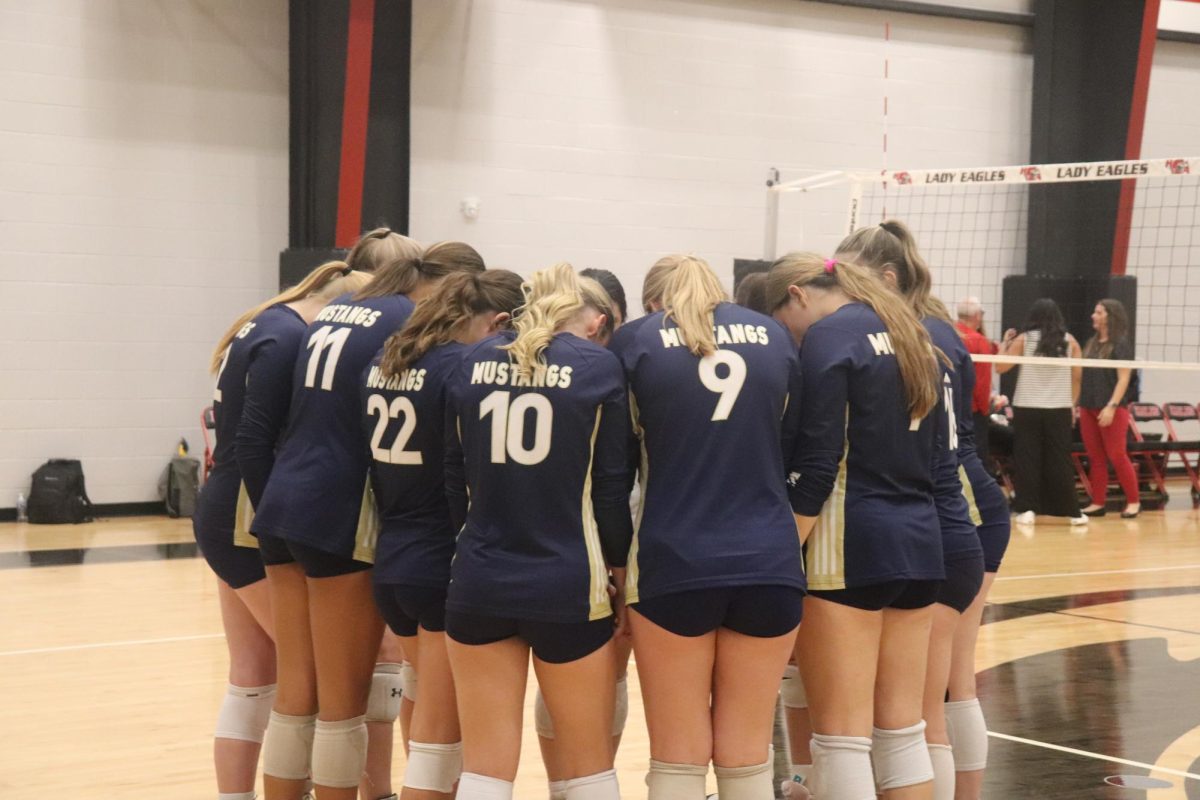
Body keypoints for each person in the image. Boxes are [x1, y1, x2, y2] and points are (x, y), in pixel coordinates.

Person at [252, 242, 485, 800]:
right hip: (339, 509)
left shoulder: (346, 305)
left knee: (295, 693)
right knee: (340, 706)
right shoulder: (407, 320)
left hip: (284, 496)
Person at [613, 255, 804, 800]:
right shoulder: (774, 336)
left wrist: (613, 560)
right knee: (747, 756)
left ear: (655, 301)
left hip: (674, 562)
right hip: (770, 561)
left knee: (678, 755)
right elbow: (802, 454)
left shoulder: (638, 340)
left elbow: (614, 471)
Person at [443, 264, 631, 800]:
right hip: (568, 582)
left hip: (480, 578)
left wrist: (475, 540)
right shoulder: (599, 368)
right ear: (590, 317)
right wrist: (619, 571)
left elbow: (453, 477)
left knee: (484, 769)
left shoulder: (471, 360)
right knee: (587, 766)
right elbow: (611, 492)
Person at [837, 221, 1004, 800]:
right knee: (951, 691)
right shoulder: (933, 332)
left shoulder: (904, 334)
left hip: (948, 512)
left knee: (922, 710)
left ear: (885, 278)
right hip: (962, 507)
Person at [768, 252, 944, 800]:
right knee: (902, 731)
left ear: (798, 294)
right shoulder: (908, 327)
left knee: (841, 738)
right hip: (920, 540)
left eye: (781, 322)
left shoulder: (830, 334)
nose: (786, 336)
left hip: (850, 544)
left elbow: (819, 463)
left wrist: (779, 552)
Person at [196, 261, 372, 800]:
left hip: (225, 504)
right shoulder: (290, 336)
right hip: (247, 516)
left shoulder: (266, 320)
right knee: (313, 674)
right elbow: (255, 442)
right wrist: (278, 529)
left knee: (253, 674)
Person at [365, 270, 525, 800]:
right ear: (499, 323)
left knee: (421, 702)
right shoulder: (460, 368)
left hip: (393, 557)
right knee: (439, 739)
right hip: (439, 562)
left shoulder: (391, 359)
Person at [535, 269, 635, 800]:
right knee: (592, 680)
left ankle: (574, 782)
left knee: (593, 683)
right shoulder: (602, 370)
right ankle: (572, 784)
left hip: (522, 552)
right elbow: (612, 488)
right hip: (587, 550)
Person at [996, 299, 1086, 526]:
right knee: (1060, 459)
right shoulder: (1070, 341)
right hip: (1059, 408)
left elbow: (1000, 367)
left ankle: (1027, 509)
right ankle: (1073, 513)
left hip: (1028, 407)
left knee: (1027, 458)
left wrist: (1004, 343)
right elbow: (1077, 376)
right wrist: (1072, 404)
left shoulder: (1024, 339)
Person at [1078, 299, 1139, 518]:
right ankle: (1098, 502)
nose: (1093, 315)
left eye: (1098, 312)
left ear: (1109, 316)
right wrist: (1078, 403)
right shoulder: (1092, 343)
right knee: (1095, 457)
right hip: (1088, 406)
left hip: (1111, 407)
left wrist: (1112, 406)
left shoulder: (1120, 344)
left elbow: (1124, 378)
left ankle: (1133, 501)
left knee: (1117, 454)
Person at [954, 298, 1002, 473]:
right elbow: (981, 382)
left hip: (949, 405)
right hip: (972, 409)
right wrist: (984, 409)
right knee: (975, 454)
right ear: (976, 316)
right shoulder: (978, 340)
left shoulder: (950, 333)